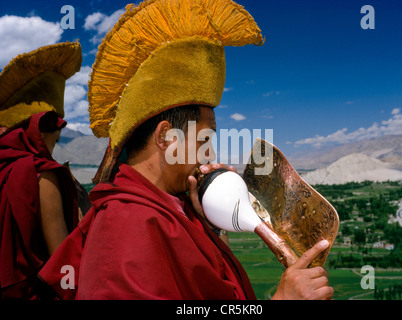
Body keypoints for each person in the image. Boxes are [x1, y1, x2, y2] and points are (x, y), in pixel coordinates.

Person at [39, 0, 333, 300]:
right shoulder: (126, 227)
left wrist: (210, 226)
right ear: (167, 137)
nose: (210, 156)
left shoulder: (174, 210)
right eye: (205, 140)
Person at [0, 42, 82, 299]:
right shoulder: (42, 174)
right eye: (55, 141)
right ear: (40, 131)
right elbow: (62, 261)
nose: (53, 150)